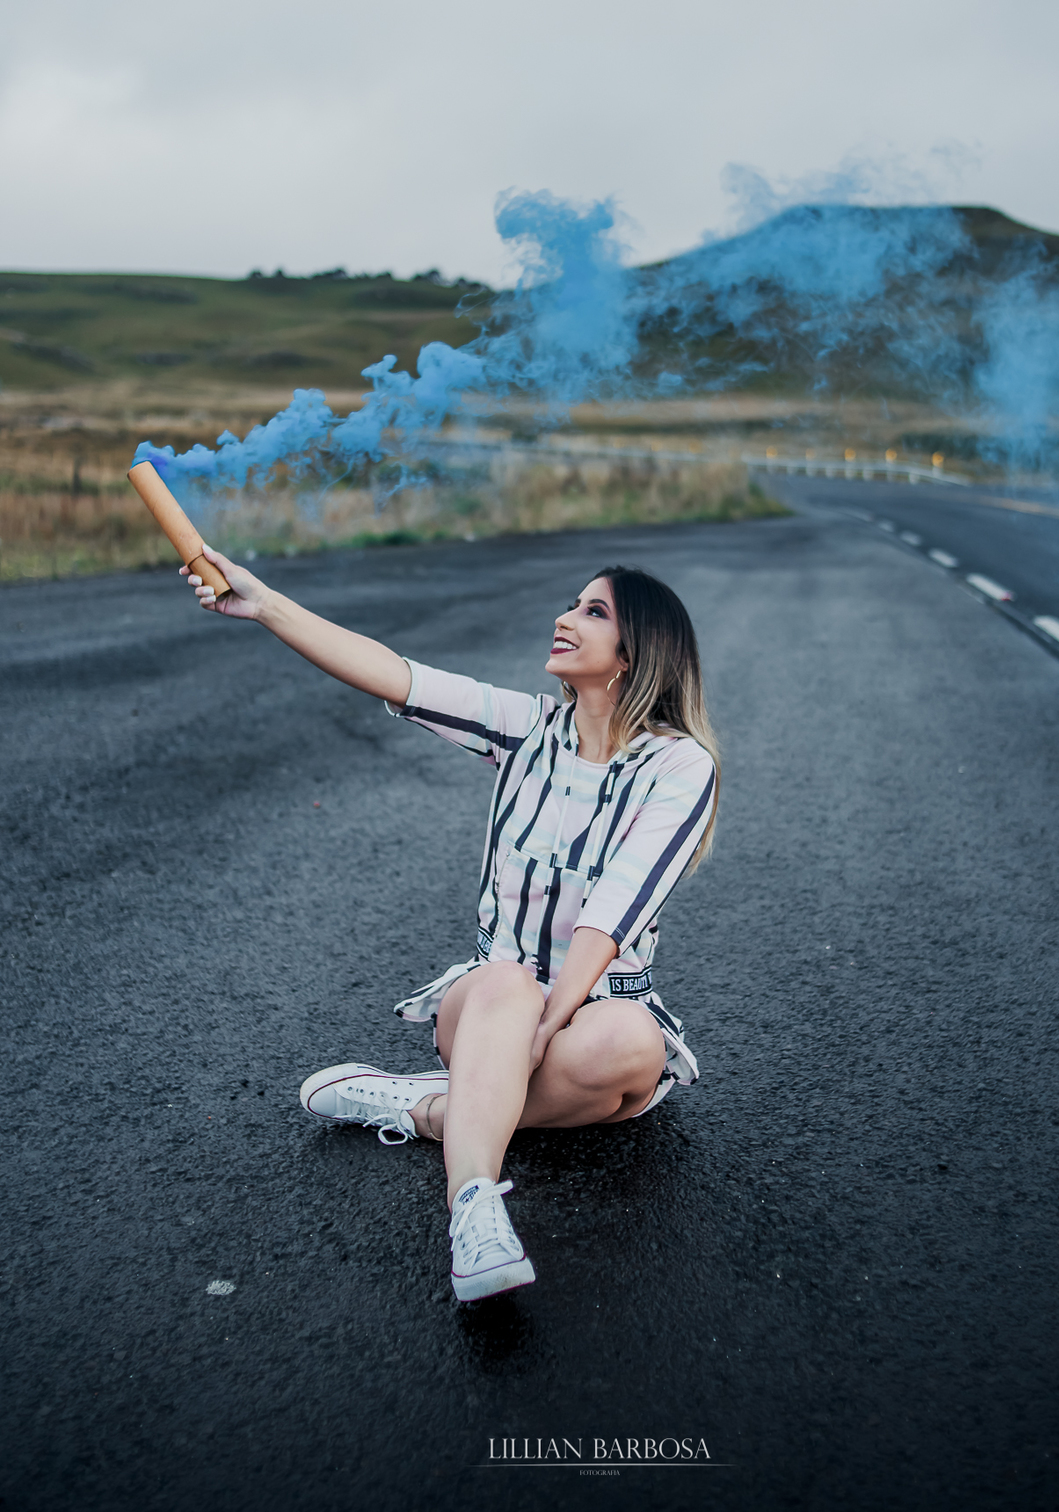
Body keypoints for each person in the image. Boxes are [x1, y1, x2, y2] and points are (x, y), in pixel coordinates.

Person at [180, 545, 719, 1302]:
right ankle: (474, 1212)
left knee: (630, 1042)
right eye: (572, 603)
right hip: (489, 1007)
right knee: (506, 982)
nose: (564, 618)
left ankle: (432, 1106)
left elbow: (615, 911)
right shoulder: (526, 728)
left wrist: (554, 1016)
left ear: (636, 654)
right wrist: (265, 602)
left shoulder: (680, 766)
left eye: (593, 611)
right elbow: (390, 671)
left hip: (590, 1012)